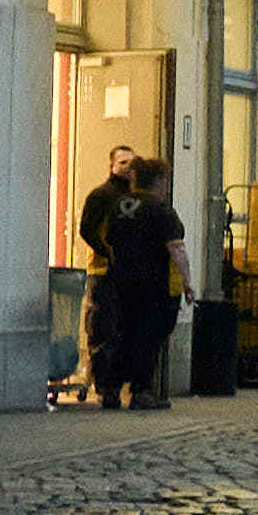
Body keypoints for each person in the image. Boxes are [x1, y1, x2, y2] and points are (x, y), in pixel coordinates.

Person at [89, 162, 187, 409]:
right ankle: (141, 390)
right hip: (154, 286)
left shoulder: (118, 206)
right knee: (149, 337)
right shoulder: (161, 211)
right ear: (159, 180)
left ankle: (110, 388)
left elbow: (106, 240)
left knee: (121, 334)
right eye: (166, 180)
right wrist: (187, 282)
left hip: (120, 282)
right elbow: (176, 249)